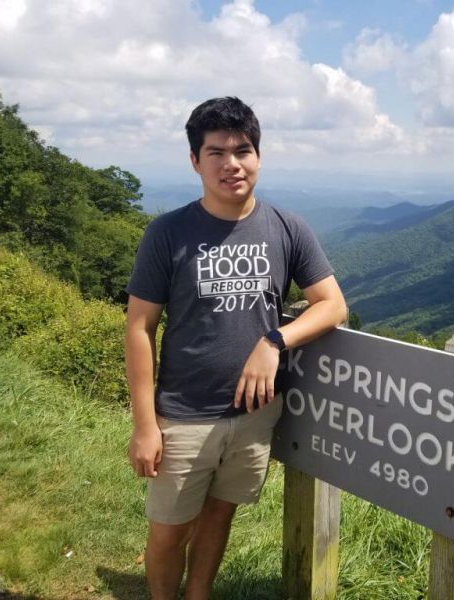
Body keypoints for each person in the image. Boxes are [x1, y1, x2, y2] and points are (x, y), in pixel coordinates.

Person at [124, 96, 346, 599]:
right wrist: (144, 425)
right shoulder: (168, 233)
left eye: (242, 150)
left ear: (259, 155)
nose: (231, 164)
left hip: (253, 412)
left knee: (220, 511)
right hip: (183, 413)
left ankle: (198, 593)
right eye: (216, 152)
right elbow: (140, 327)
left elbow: (332, 305)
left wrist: (275, 340)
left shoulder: (287, 228)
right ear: (195, 161)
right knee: (169, 529)